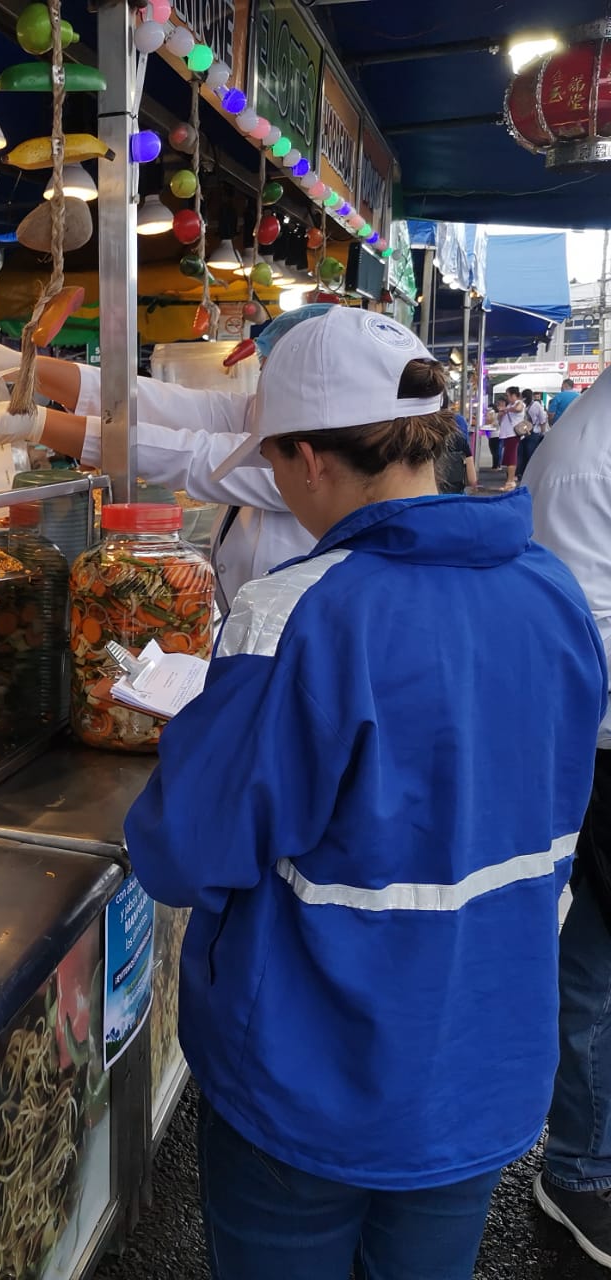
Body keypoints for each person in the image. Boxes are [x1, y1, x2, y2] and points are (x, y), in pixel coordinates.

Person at [123, 306, 607, 1280]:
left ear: (306, 458)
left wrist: (198, 734)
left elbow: (180, 849)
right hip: (480, 1074)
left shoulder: (292, 613)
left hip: (307, 1082)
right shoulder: (551, 592)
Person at [0, 312, 327, 611]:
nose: (261, 381)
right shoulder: (264, 412)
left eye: (269, 371)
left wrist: (40, 423)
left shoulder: (312, 459)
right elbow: (160, 402)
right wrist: (24, 368)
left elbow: (190, 456)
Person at [524, 368, 611, 1268]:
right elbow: (586, 643)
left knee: (593, 955)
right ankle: (582, 1166)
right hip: (603, 749)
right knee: (591, 963)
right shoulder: (586, 460)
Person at [498, 385, 526, 489]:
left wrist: (506, 409)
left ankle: (510, 481)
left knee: (511, 458)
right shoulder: (510, 405)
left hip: (513, 434)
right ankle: (509, 480)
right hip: (508, 435)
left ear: (514, 395)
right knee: (509, 458)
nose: (507, 397)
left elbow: (518, 409)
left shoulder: (519, 403)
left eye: (508, 395)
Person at [518, 388, 547, 480]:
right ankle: (529, 473)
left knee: (523, 453)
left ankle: (522, 473)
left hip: (523, 432)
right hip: (534, 432)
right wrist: (543, 432)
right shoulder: (536, 405)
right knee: (529, 453)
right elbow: (543, 420)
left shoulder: (522, 405)